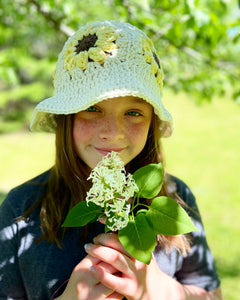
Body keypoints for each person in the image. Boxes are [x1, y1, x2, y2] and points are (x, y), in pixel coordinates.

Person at [0, 20, 222, 300]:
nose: (113, 133)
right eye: (92, 108)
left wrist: (167, 291)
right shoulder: (21, 210)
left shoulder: (176, 197)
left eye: (133, 112)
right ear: (66, 117)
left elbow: (211, 292)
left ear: (152, 122)